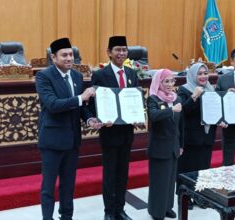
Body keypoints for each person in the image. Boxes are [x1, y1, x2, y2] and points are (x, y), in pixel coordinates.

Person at [35, 38, 95, 220]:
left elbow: (82, 106)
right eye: (65, 55)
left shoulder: (76, 76)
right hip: (52, 141)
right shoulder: (43, 76)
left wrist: (90, 118)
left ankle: (66, 216)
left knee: (68, 185)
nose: (70, 58)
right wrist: (80, 98)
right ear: (53, 57)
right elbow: (52, 104)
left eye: (71, 54)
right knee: (48, 187)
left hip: (72, 140)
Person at [89, 36, 139, 220]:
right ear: (109, 52)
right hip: (109, 132)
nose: (121, 53)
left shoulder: (132, 74)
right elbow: (94, 103)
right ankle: (109, 211)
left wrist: (137, 116)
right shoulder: (100, 75)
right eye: (117, 49)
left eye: (124, 50)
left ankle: (120, 209)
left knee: (123, 174)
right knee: (110, 174)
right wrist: (101, 118)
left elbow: (136, 100)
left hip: (127, 132)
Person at [147, 69, 184, 220]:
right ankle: (156, 211)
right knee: (159, 182)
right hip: (159, 148)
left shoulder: (176, 98)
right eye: (166, 81)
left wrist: (181, 145)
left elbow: (181, 125)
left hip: (174, 147)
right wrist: (171, 110)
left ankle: (167, 207)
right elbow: (154, 116)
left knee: (170, 182)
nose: (170, 84)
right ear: (159, 82)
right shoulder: (153, 99)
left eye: (172, 81)